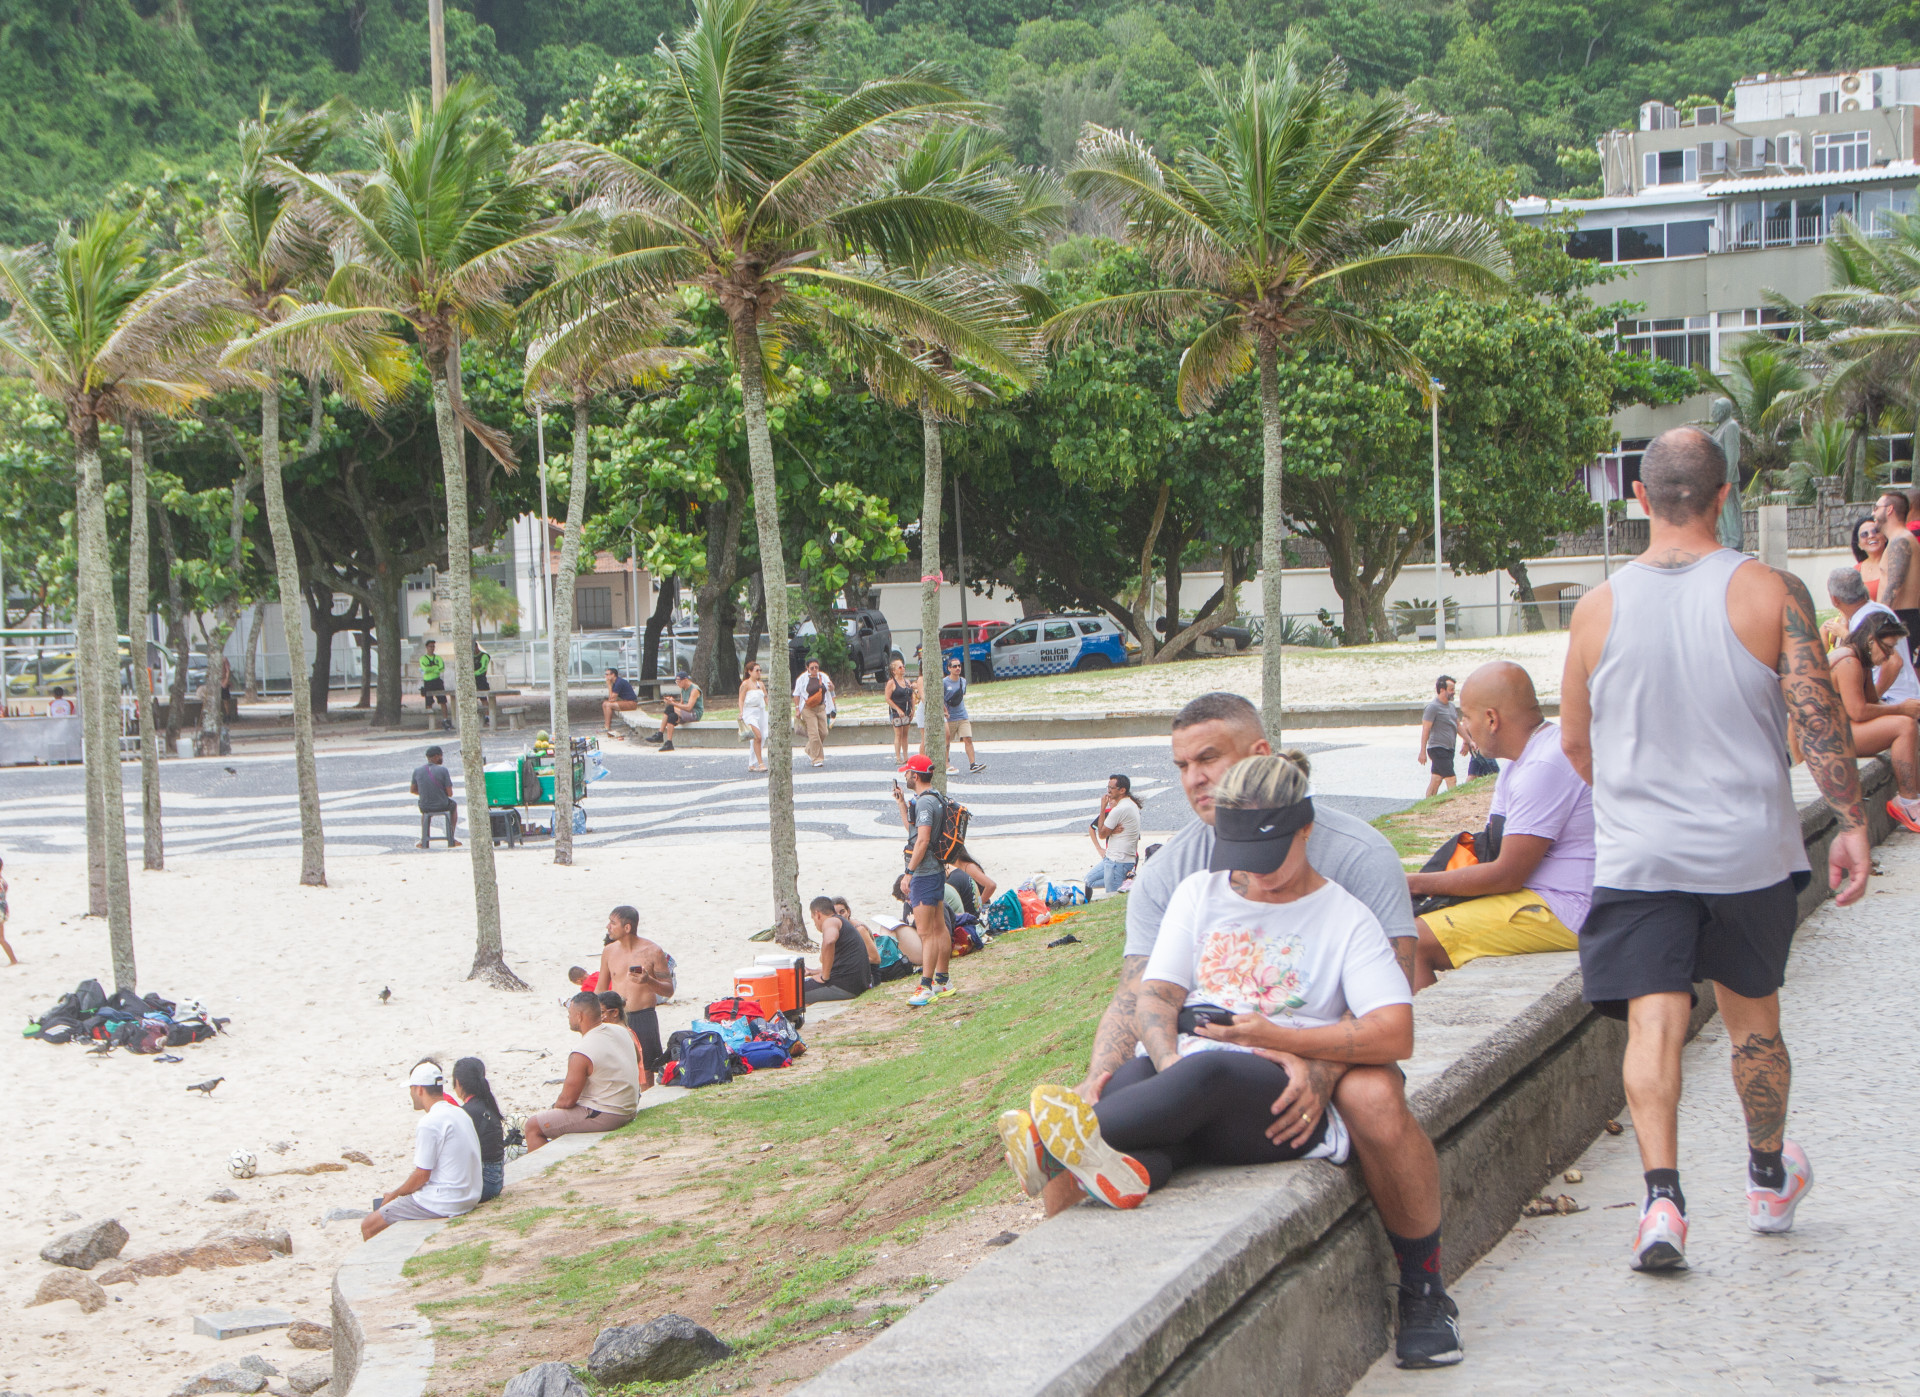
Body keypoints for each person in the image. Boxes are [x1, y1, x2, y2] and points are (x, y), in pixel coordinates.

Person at [1033, 693, 1457, 1368]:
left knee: (1247, 1082)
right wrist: (1126, 1069)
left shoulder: (1351, 879)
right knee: (1131, 1091)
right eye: (1182, 765)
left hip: (1291, 1059)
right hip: (1200, 1059)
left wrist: (1304, 1053)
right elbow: (1145, 993)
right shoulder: (1189, 877)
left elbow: (1393, 1011)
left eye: (1210, 758)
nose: (1195, 778)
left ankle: (1426, 1289)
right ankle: (1060, 1316)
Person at [1561, 425, 1871, 1274]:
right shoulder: (1770, 590)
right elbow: (1820, 724)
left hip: (1639, 856)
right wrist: (1850, 822)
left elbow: (1577, 747)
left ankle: (1661, 1201)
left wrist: (1635, 802)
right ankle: (1768, 1179)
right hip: (1748, 851)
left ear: (1638, 501)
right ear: (1724, 496)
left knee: (1653, 1023)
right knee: (1753, 1024)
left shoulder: (1595, 608)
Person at [1406, 663, 1594, 991]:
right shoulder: (1523, 761)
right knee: (1403, 921)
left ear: (1492, 719)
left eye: (1467, 717)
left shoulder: (1543, 766)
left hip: (1569, 908)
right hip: (1539, 896)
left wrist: (1414, 883)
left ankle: (1441, 1040)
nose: (1465, 726)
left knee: (1412, 941)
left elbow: (1508, 874)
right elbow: (1491, 848)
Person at [361, 1061, 482, 1240]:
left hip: (446, 1201)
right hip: (470, 1195)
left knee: (369, 1225)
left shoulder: (429, 1122)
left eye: (411, 1089)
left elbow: (421, 1175)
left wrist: (394, 1195)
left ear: (419, 1089)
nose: (411, 1094)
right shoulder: (459, 1113)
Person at [1827, 612, 1920, 833]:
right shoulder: (1848, 661)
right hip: (1828, 739)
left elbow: (1872, 703)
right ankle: (1907, 803)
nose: (1888, 656)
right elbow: (1858, 712)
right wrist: (1900, 708)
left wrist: (1904, 710)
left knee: (1906, 721)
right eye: (1887, 648)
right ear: (1871, 640)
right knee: (1904, 725)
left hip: (1842, 730)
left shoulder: (1861, 660)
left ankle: (1912, 798)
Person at [525, 992, 641, 1150]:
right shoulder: (622, 1031)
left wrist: (553, 1113)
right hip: (629, 1105)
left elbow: (566, 1101)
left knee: (533, 1126)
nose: (568, 1018)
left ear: (579, 1016)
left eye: (569, 1014)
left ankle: (546, 1170)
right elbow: (637, 1058)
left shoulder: (582, 1052)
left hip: (608, 1113)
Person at [894, 754, 955, 1007]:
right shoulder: (935, 798)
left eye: (907, 772)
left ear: (915, 776)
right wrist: (901, 804)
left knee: (926, 934)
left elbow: (921, 840)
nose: (905, 776)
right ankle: (943, 979)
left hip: (925, 873)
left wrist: (909, 872)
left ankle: (926, 985)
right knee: (939, 928)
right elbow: (914, 832)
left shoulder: (924, 805)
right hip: (937, 871)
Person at [597, 905, 675, 1090]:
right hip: (615, 1017)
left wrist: (648, 981)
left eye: (613, 923)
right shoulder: (609, 951)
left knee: (646, 1069)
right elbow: (600, 988)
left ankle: (647, 1106)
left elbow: (669, 990)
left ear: (627, 927)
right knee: (617, 1066)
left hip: (643, 1016)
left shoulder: (653, 951)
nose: (608, 927)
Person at [1822, 565, 1919, 701]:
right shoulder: (1872, 611)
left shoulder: (1867, 618)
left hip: (1894, 698)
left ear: (1835, 599)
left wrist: (1873, 699)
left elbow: (1894, 662)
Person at [450, 1057, 505, 1203]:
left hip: (484, 1184)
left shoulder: (466, 1113)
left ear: (458, 1083)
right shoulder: (488, 1105)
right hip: (497, 1179)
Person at [805, 896, 875, 1003]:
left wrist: (824, 977)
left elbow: (829, 941)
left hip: (844, 987)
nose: (814, 923)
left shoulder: (830, 922)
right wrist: (812, 971)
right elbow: (842, 964)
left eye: (813, 918)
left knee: (792, 992)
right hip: (857, 984)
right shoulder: (842, 922)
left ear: (818, 914)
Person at [1085, 773, 1143, 897]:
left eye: (1112, 788)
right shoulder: (1131, 804)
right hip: (1111, 859)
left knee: (1111, 896)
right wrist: (1110, 831)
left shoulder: (1120, 809)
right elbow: (1099, 830)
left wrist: (1102, 808)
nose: (1108, 791)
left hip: (1118, 862)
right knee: (1089, 880)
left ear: (1122, 790)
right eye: (1108, 787)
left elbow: (1101, 833)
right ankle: (1124, 882)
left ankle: (1125, 883)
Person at [837, 895, 915, 981]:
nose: (840, 916)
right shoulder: (837, 930)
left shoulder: (859, 929)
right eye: (836, 914)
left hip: (873, 972)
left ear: (848, 911)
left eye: (842, 912)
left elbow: (875, 958)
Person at [1875, 490, 1920, 642]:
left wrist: (1877, 623)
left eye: (1876, 507)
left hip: (1900, 619)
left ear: (1889, 509)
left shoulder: (1901, 540)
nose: (1873, 513)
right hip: (1900, 618)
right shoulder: (1900, 539)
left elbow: (1893, 586)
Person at [1418, 675, 1466, 797]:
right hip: (1437, 748)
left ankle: (1426, 806)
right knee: (1451, 779)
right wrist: (1422, 751)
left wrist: (1469, 741)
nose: (1453, 692)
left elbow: (1458, 726)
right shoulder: (1432, 707)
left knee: (1436, 780)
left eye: (1454, 689)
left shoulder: (1451, 707)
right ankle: (1456, 806)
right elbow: (1426, 729)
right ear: (1442, 690)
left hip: (1449, 749)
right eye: (1451, 689)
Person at [410, 745, 460, 850]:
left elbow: (412, 790)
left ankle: (424, 839)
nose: (442, 758)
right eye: (441, 756)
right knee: (453, 805)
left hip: (425, 806)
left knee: (425, 812)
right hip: (442, 804)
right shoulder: (443, 770)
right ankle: (451, 837)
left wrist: (426, 793)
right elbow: (450, 793)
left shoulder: (417, 770)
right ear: (437, 756)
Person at [942, 656, 985, 774]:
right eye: (954, 666)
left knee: (968, 738)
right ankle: (945, 763)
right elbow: (941, 699)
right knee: (946, 742)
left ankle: (973, 764)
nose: (957, 668)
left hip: (962, 716)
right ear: (949, 669)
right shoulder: (944, 682)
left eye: (959, 666)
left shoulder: (963, 681)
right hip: (949, 717)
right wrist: (945, 711)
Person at [646, 666, 703, 752]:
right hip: (686, 713)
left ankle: (660, 734)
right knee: (672, 716)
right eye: (676, 682)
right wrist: (673, 701)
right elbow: (681, 705)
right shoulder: (683, 689)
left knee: (670, 708)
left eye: (679, 682)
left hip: (694, 713)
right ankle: (669, 743)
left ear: (686, 680)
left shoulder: (694, 690)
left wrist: (673, 704)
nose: (678, 684)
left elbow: (689, 707)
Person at [792, 658, 834, 768]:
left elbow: (831, 689)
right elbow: (796, 694)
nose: (815, 670)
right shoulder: (802, 679)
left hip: (821, 708)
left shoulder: (823, 677)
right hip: (808, 708)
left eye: (816, 667)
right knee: (814, 734)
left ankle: (809, 749)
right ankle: (817, 759)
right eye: (812, 668)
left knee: (823, 732)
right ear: (807, 668)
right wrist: (797, 709)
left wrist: (832, 688)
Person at [739, 661, 769, 773]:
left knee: (762, 737)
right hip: (749, 712)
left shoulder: (760, 684)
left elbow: (765, 696)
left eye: (760, 670)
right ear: (749, 671)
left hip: (760, 711)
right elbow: (741, 699)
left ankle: (752, 763)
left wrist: (769, 706)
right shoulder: (745, 684)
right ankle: (761, 763)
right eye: (757, 670)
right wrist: (741, 712)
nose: (759, 673)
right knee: (758, 736)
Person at [885, 658, 915, 764]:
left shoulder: (907, 682)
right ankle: (898, 757)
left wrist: (913, 709)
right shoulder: (891, 683)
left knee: (905, 734)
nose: (903, 668)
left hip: (906, 710)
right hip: (896, 712)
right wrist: (897, 709)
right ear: (894, 671)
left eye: (903, 666)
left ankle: (906, 756)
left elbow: (912, 696)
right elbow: (888, 698)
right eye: (900, 667)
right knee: (898, 734)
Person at [1851, 515, 1886, 601]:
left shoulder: (1894, 564)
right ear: (1859, 545)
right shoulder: (1855, 571)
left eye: (1876, 531)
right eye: (1864, 534)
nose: (1871, 536)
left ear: (1885, 537)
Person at [418, 640, 450, 728]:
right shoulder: (423, 659)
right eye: (430, 646)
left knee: (443, 701)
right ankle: (430, 722)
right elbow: (424, 669)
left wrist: (431, 668)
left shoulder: (438, 658)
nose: (432, 648)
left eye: (433, 646)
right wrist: (435, 668)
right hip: (428, 682)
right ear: (427, 647)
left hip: (437, 681)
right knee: (429, 702)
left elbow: (441, 668)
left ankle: (445, 719)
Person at [601, 667, 639, 737]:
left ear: (613, 675)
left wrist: (609, 685)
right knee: (604, 704)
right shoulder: (616, 682)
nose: (605, 676)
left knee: (608, 705)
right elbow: (611, 698)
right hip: (626, 702)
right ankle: (606, 726)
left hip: (631, 703)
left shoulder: (619, 682)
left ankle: (608, 726)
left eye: (607, 674)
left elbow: (612, 699)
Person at [0, 855, 15, 967]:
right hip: (3, 909)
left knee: (1, 938)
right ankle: (13, 959)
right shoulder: (3, 881)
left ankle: (13, 960)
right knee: (1, 938)